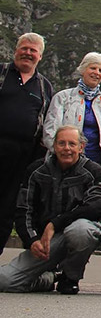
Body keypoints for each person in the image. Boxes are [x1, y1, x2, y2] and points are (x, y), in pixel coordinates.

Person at [0, 125, 101, 294]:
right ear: (54, 146)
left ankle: (70, 277)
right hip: (45, 243)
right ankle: (48, 278)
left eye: (72, 144)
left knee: (82, 230)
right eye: (61, 143)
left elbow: (96, 207)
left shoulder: (93, 171)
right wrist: (32, 240)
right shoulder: (35, 171)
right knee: (4, 281)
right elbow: (23, 210)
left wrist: (55, 224)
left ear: (81, 147)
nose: (66, 149)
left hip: (75, 233)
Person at [0, 32, 54, 253]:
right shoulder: (2, 73)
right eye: (25, 48)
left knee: (7, 208)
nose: (28, 53)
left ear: (40, 56)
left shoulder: (44, 86)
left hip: (23, 157)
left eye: (33, 50)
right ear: (16, 49)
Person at [42, 52, 101, 192]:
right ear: (83, 70)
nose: (96, 73)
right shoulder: (63, 98)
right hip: (63, 166)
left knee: (92, 206)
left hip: (96, 168)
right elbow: (49, 133)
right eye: (93, 68)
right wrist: (65, 156)